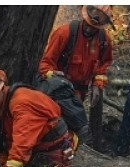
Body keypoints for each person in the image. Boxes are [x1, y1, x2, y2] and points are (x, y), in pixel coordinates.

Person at [38, 5, 115, 145]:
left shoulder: (104, 41)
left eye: (94, 27)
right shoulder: (64, 33)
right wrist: (52, 75)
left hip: (80, 91)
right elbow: (45, 63)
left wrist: (98, 84)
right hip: (59, 90)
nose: (89, 29)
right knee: (60, 123)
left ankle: (70, 150)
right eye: (88, 24)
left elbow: (103, 64)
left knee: (73, 127)